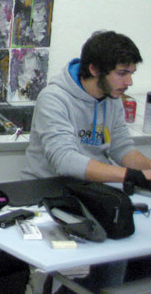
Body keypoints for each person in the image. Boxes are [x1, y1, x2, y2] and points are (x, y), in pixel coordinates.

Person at [23, 30, 151, 292]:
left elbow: (122, 148)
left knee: (132, 244)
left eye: (131, 73)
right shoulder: (54, 98)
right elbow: (65, 161)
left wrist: (148, 169)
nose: (128, 82)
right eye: (122, 73)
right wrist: (129, 175)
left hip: (93, 191)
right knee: (117, 247)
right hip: (51, 191)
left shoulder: (111, 98)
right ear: (94, 69)